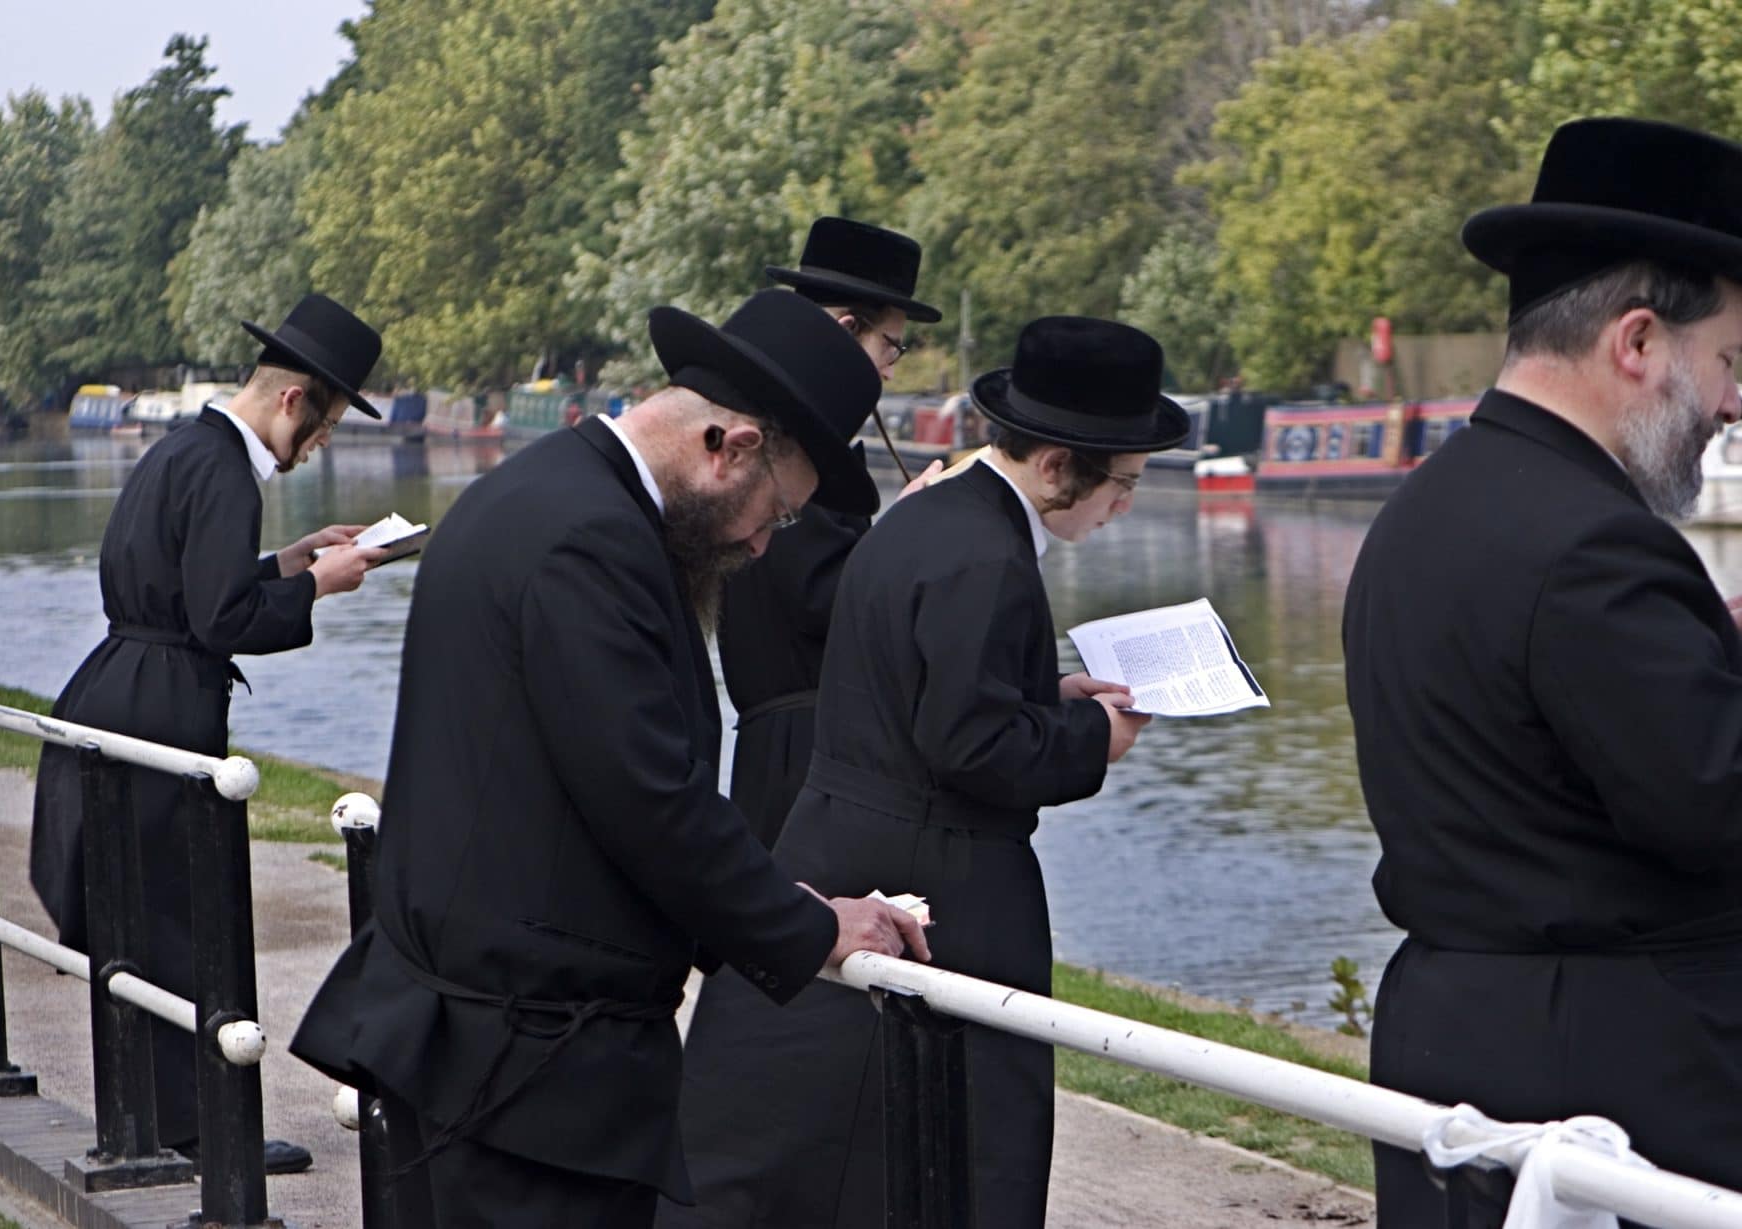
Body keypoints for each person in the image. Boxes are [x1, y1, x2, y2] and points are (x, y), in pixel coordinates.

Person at [289, 290, 932, 1229]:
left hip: (486, 1043)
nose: (761, 543)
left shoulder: (548, 488)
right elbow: (647, 796)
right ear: (732, 446)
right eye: (775, 514)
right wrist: (812, 927)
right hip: (529, 1068)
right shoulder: (590, 540)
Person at [1343, 117, 1742, 1224]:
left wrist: (1694, 643)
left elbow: (1532, 704)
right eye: (1724, 358)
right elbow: (1723, 797)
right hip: (1623, 1081)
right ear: (1636, 341)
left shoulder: (1431, 506)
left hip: (1465, 1036)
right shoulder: (1593, 541)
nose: (1729, 399)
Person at [666, 316, 1182, 1229]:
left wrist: (1044, 689)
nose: (1124, 508)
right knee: (950, 1147)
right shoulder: (988, 554)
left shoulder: (928, 515)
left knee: (809, 1141)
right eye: (1122, 485)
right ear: (1059, 463)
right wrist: (1089, 738)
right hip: (933, 877)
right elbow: (971, 747)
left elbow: (913, 685)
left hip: (840, 836)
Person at [31, 293, 387, 1176]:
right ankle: (201, 1133)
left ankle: (161, 1119)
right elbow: (222, 617)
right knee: (181, 920)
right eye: (327, 425)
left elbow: (195, 587)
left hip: (122, 686)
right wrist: (322, 587)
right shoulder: (226, 468)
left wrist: (289, 560)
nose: (320, 447)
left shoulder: (188, 447)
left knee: (145, 919)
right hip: (162, 703)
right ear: (294, 401)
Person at [720, 216, 945, 847]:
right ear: (848, 329)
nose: (892, 371)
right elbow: (822, 597)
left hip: (802, 739)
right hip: (799, 751)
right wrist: (907, 529)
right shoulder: (787, 440)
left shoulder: (782, 426)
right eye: (891, 348)